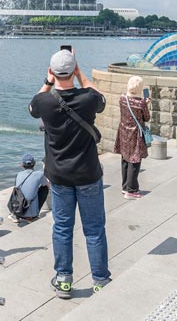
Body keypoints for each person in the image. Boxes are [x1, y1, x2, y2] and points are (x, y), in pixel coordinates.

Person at [29, 49, 110, 298]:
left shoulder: (45, 102)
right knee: (94, 229)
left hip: (60, 176)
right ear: (74, 70)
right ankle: (100, 280)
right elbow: (101, 98)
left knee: (62, 228)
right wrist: (80, 73)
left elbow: (33, 106)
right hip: (87, 174)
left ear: (52, 72)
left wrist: (47, 81)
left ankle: (64, 279)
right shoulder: (87, 99)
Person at [114, 76, 150, 199]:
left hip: (123, 132)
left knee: (125, 158)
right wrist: (146, 104)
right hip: (135, 134)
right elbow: (147, 118)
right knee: (135, 160)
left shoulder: (122, 98)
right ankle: (132, 190)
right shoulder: (141, 103)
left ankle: (125, 187)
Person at [11, 153, 49, 222]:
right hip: (31, 213)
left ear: (22, 165)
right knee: (45, 189)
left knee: (17, 190)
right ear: (34, 163)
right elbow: (47, 186)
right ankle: (32, 216)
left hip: (18, 209)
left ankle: (14, 215)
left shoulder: (18, 174)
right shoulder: (40, 174)